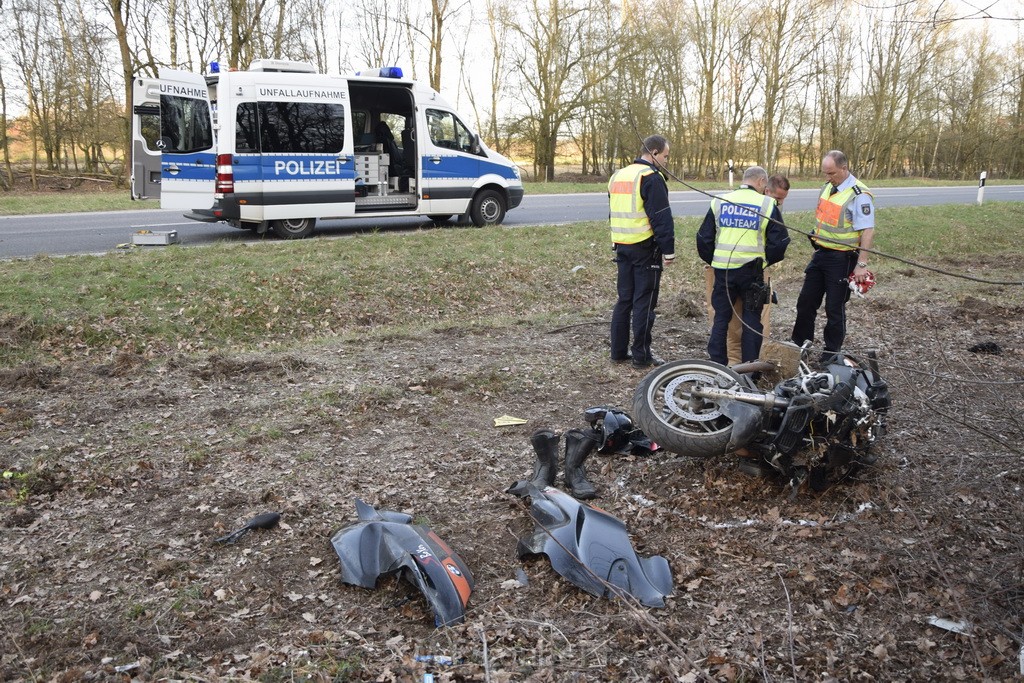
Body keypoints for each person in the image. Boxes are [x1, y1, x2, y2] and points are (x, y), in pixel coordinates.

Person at [697, 166, 789, 366]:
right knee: (751, 321)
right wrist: (764, 262)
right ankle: (750, 369)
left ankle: (717, 364)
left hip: (723, 271)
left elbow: (703, 238)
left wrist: (714, 261)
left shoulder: (719, 201)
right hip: (751, 272)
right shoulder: (766, 204)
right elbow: (780, 242)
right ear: (761, 182)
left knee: (721, 318)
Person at [791, 150, 875, 363]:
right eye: (825, 173)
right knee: (806, 301)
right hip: (820, 254)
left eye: (831, 173)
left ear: (844, 168)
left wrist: (861, 265)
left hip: (843, 258)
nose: (827, 177)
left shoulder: (859, 195)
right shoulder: (828, 187)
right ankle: (800, 346)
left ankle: (831, 353)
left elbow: (867, 230)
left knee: (834, 308)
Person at [608, 135, 676, 369]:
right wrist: (669, 251)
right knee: (644, 303)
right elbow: (661, 217)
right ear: (654, 153)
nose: (666, 161)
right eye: (665, 156)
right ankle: (641, 355)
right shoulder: (651, 177)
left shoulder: (618, 175)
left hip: (622, 245)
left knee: (624, 300)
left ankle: (617, 352)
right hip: (645, 248)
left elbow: (613, 211)